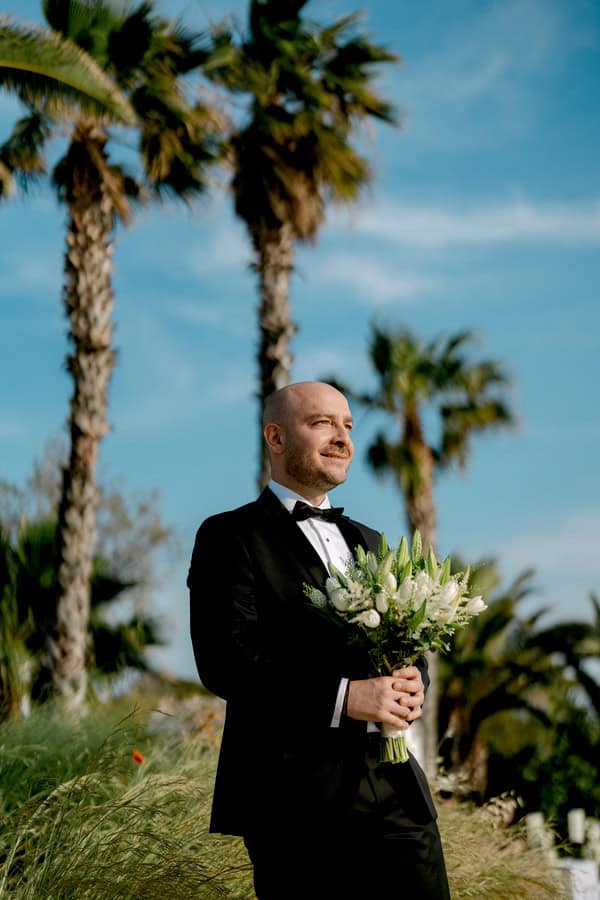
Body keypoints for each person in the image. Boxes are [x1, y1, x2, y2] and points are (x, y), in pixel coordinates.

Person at [188, 381, 451, 899]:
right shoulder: (229, 535)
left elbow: (406, 642)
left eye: (348, 425)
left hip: (396, 791)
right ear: (276, 438)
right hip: (293, 801)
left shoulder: (372, 542)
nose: (343, 438)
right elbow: (226, 660)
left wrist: (413, 681)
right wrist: (345, 697)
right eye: (322, 423)